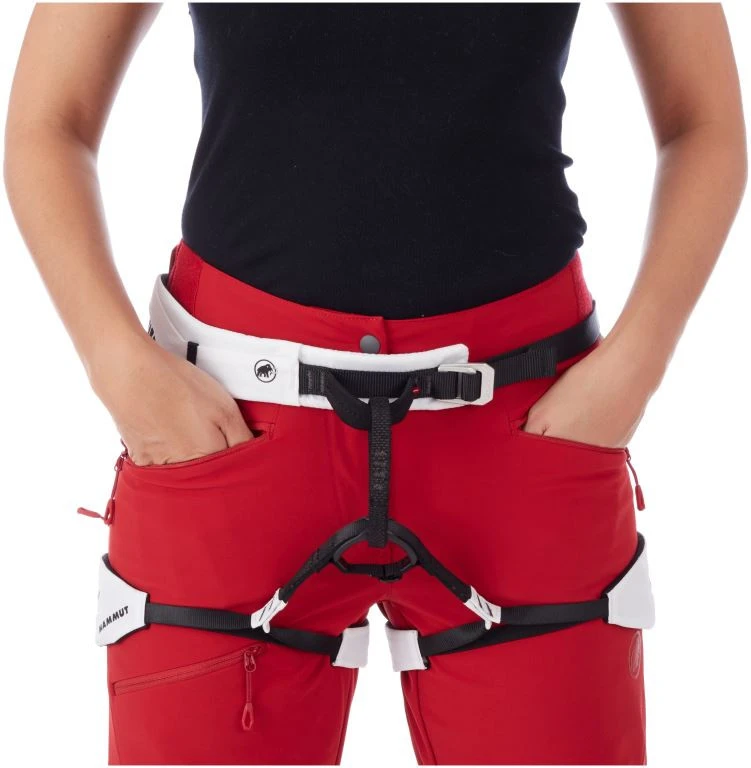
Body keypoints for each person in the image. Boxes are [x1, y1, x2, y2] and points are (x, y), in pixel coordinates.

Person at [4, 3, 746, 766]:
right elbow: (49, 120)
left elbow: (703, 121)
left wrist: (635, 367)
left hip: (526, 425)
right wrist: (118, 366)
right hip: (234, 428)